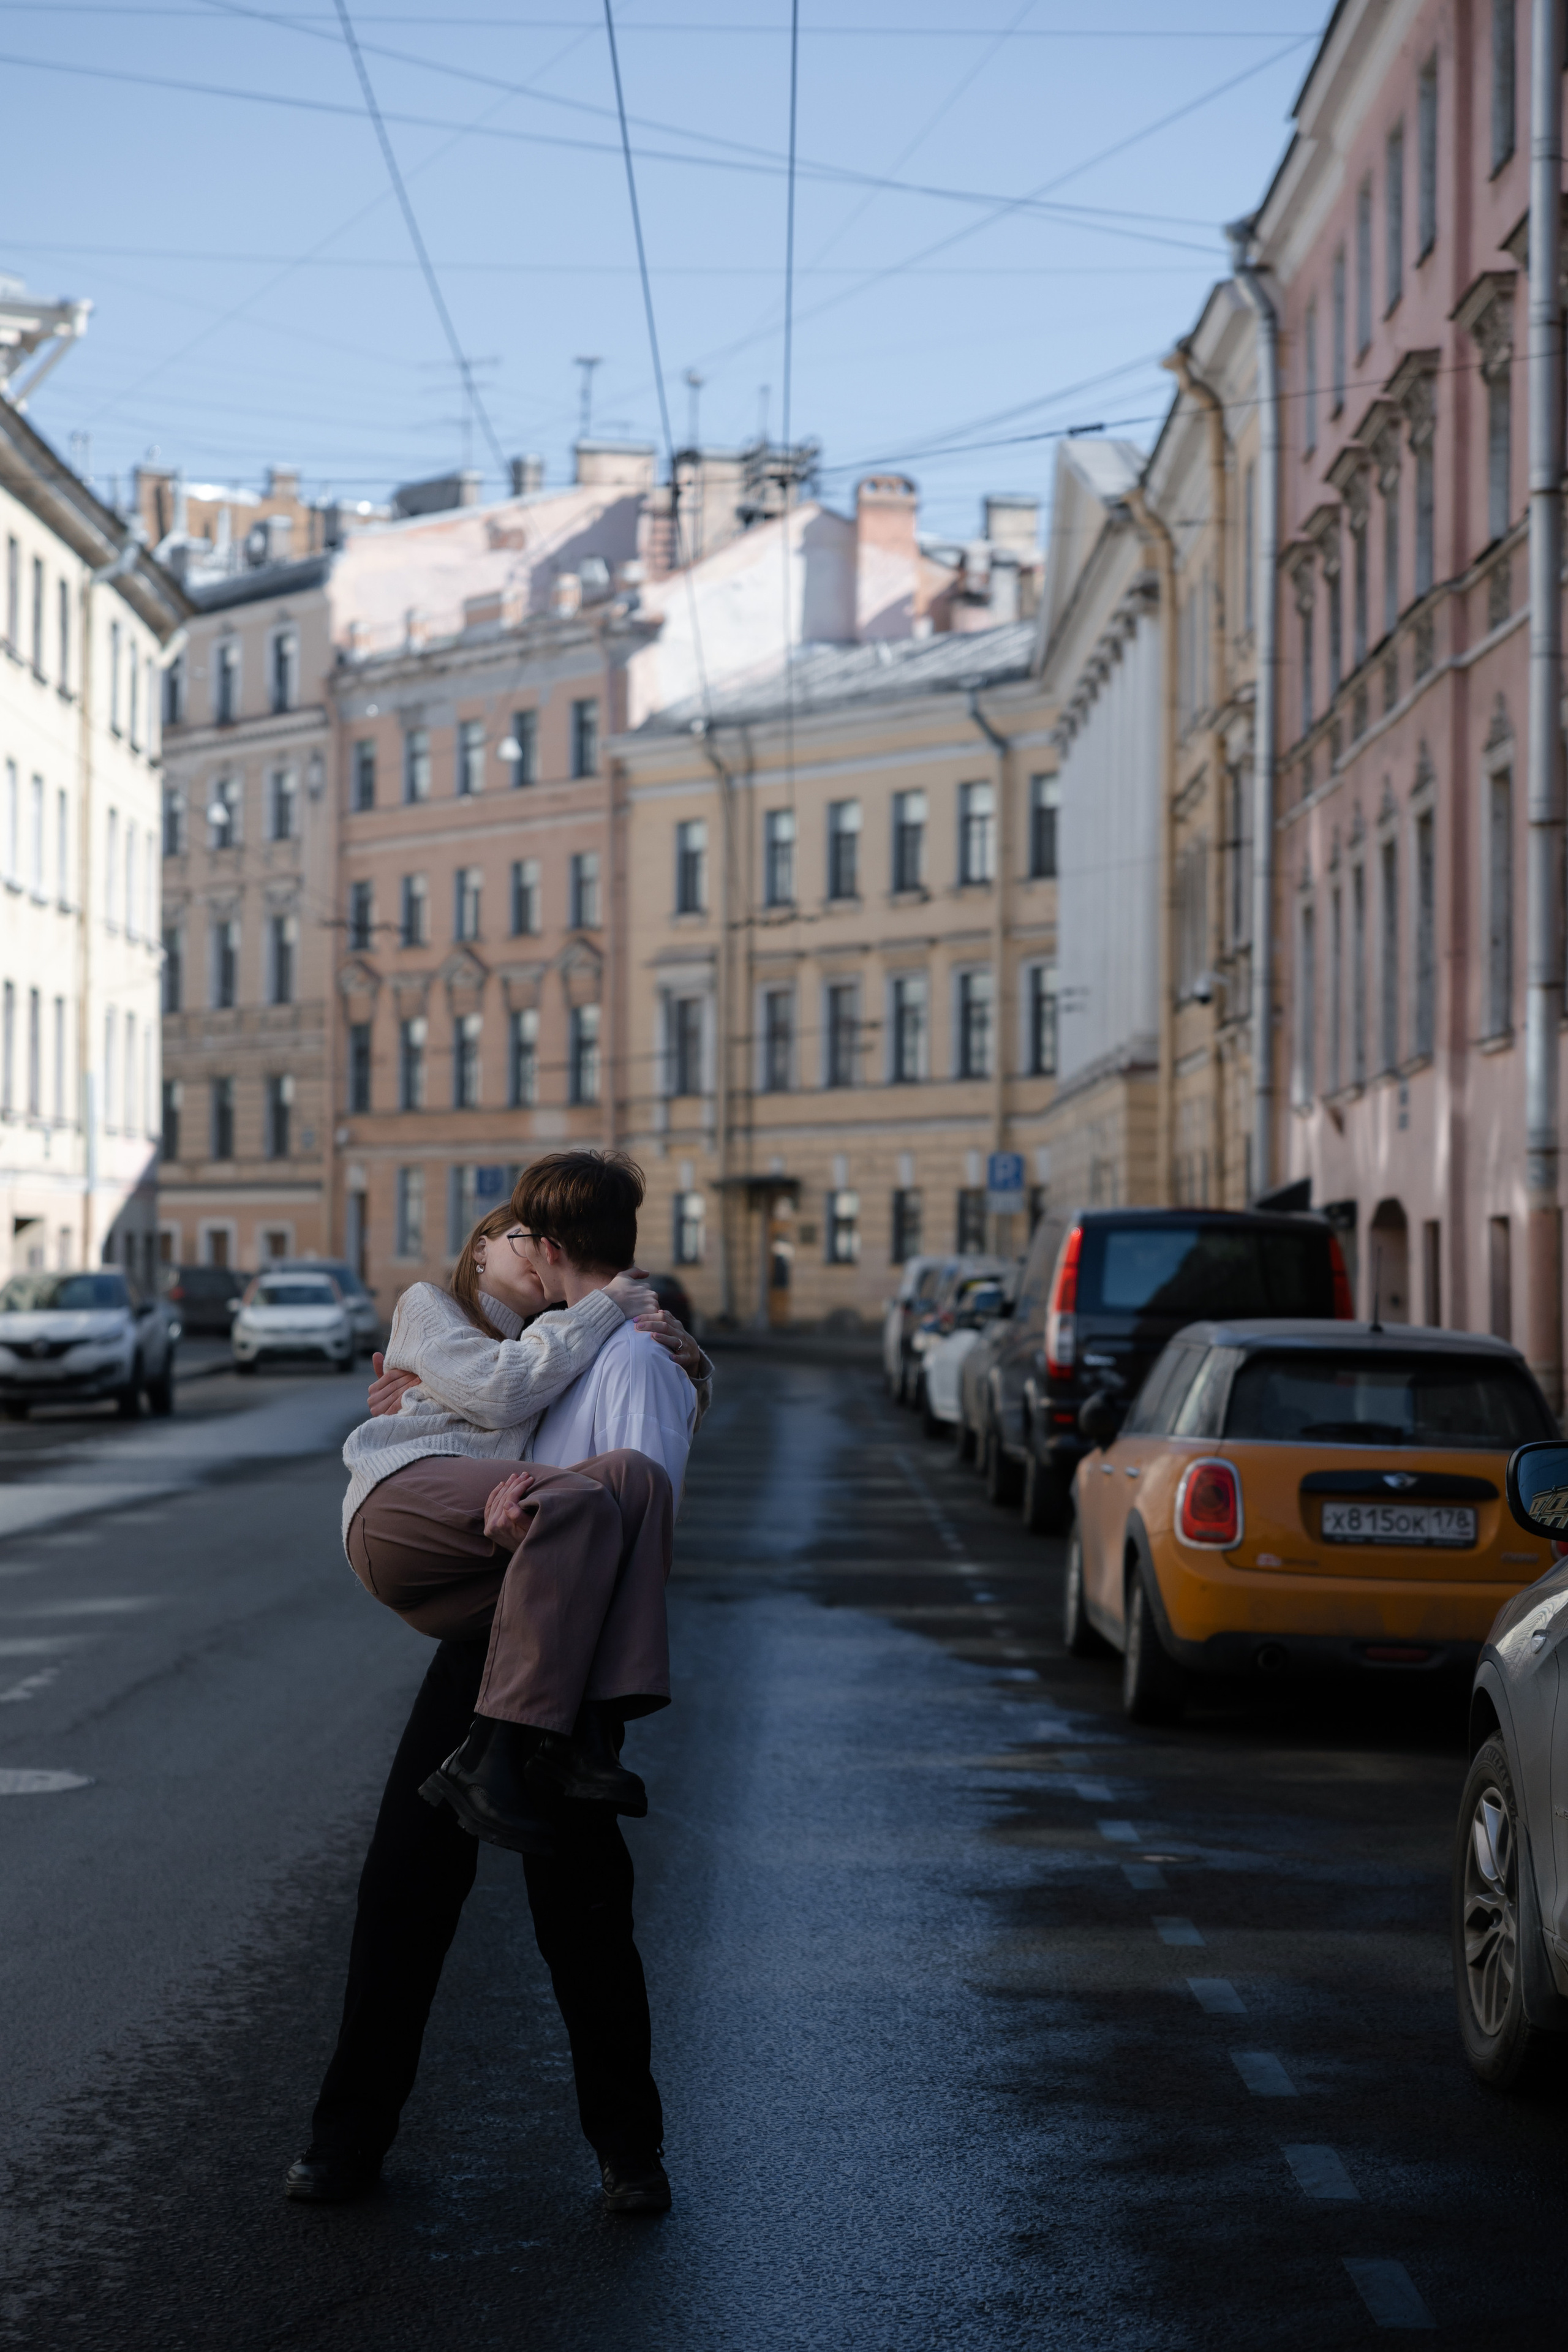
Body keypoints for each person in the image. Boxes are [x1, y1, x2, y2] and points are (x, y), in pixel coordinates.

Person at [287, 1153, 702, 2217]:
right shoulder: (532, 1348)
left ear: (555, 1248)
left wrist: (677, 1353)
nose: (513, 1249)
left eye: (529, 1234)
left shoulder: (633, 1358)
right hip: (485, 1646)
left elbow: (639, 1518)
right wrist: (413, 1390)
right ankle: (345, 2145)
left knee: (582, 1915)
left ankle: (629, 2155)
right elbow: (469, 1406)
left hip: (564, 1663)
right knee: (403, 1892)